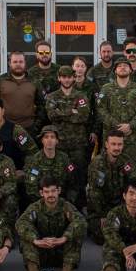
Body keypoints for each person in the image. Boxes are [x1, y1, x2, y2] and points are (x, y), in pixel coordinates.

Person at [16, 177, 87, 271]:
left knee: (75, 234)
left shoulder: (65, 206)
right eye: (47, 191)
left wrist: (64, 238)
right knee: (26, 236)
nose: (50, 195)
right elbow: (21, 223)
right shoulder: (36, 207)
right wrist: (36, 240)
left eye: (53, 191)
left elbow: (81, 221)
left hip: (61, 252)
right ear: (41, 193)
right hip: (41, 253)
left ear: (59, 191)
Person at [85, 130, 136, 243]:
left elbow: (132, 187)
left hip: (120, 205)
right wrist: (103, 216)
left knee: (133, 232)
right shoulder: (97, 163)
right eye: (113, 144)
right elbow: (94, 194)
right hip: (101, 208)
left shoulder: (127, 161)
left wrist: (126, 211)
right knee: (101, 237)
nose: (117, 147)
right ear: (106, 144)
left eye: (119, 144)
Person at [44, 66, 93, 196]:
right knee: (59, 174)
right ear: (59, 78)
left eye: (69, 77)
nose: (66, 80)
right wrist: (72, 111)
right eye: (64, 77)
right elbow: (52, 116)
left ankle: (80, 204)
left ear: (73, 78)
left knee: (79, 174)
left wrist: (61, 113)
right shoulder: (52, 97)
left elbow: (84, 117)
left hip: (78, 144)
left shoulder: (81, 96)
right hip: (59, 144)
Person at [96, 57, 136, 162]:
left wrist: (131, 125)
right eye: (119, 66)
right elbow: (100, 109)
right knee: (110, 165)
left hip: (133, 136)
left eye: (125, 66)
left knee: (134, 168)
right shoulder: (106, 88)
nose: (122, 68)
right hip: (112, 136)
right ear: (115, 70)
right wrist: (116, 125)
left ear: (130, 70)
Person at [0, 50, 44, 131]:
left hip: (29, 128)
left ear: (25, 63)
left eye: (21, 62)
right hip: (4, 127)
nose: (18, 64)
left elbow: (41, 105)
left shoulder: (34, 82)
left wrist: (37, 126)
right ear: (10, 63)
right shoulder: (0, 81)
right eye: (15, 62)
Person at [24, 125, 79, 206]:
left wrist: (69, 201)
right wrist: (46, 202)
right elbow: (31, 188)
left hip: (62, 201)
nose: (49, 140)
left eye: (52, 137)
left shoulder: (65, 159)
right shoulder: (34, 161)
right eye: (46, 137)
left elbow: (73, 182)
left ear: (57, 141)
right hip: (42, 202)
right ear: (42, 140)